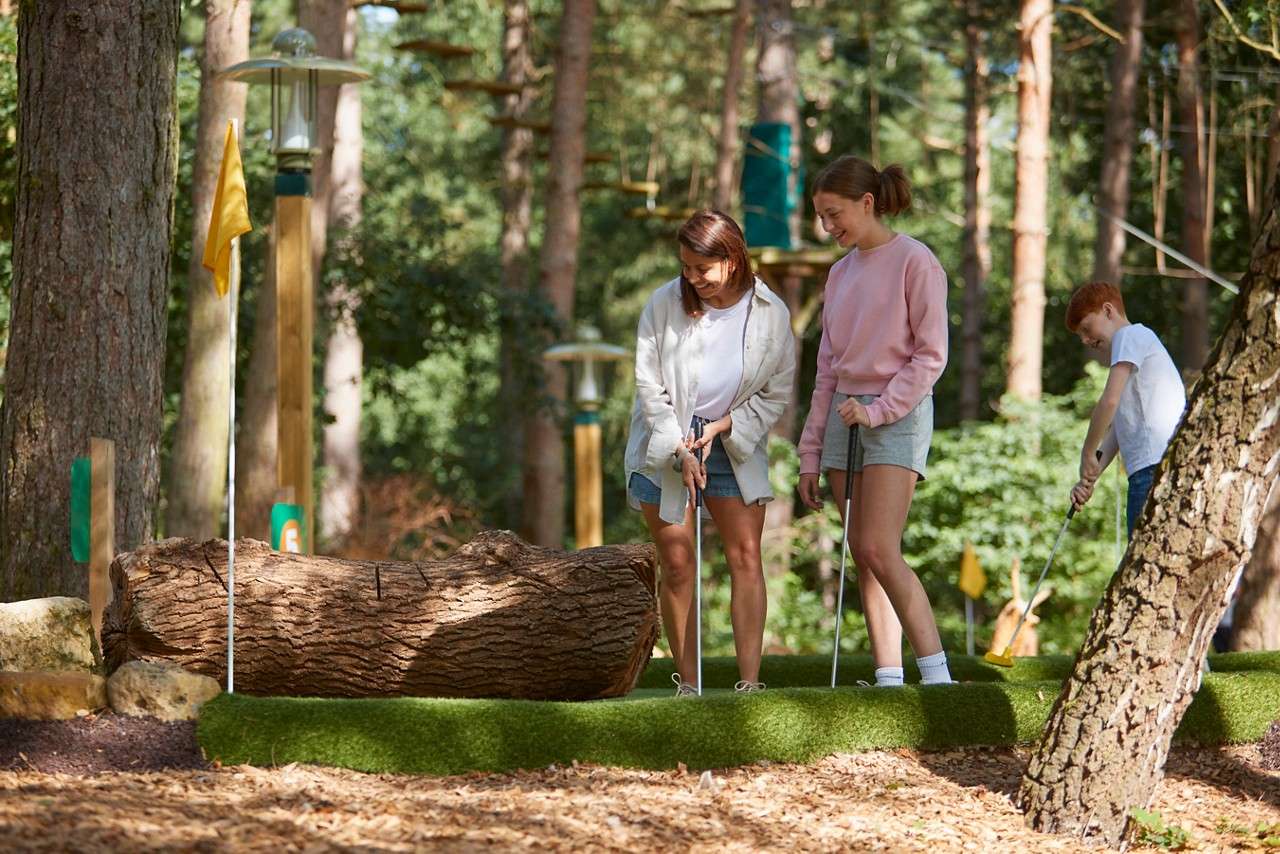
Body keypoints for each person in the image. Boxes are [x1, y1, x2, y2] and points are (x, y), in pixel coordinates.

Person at [624, 209, 795, 697]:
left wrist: (725, 426)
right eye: (686, 266)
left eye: (702, 268)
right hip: (665, 439)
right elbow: (649, 385)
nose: (692, 277)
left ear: (733, 259)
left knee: (746, 556)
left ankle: (749, 684)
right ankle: (689, 686)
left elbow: (777, 392)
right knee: (678, 563)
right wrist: (679, 447)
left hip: (733, 441)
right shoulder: (664, 303)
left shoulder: (771, 312)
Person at [796, 155, 953, 687]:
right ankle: (888, 678)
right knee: (861, 554)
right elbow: (826, 371)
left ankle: (938, 677)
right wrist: (810, 455)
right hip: (844, 414)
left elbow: (930, 356)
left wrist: (879, 410)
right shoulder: (839, 274)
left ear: (867, 203)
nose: (827, 227)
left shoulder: (916, 261)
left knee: (878, 547)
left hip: (897, 412)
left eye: (833, 214)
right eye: (821, 216)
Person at [1065, 281, 1187, 537]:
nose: (1085, 340)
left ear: (1108, 311)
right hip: (1155, 467)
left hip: (1151, 470)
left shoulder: (1129, 335)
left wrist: (1087, 452)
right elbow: (1118, 432)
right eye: (1081, 336)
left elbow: (1108, 401)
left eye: (1086, 329)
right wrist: (1089, 478)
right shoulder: (1134, 350)